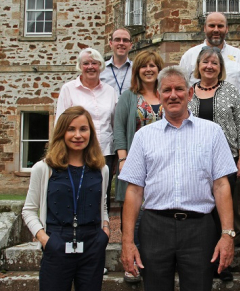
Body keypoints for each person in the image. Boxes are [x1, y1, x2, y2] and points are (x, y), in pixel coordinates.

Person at [119, 66, 237, 291]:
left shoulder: (212, 132)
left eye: (179, 89)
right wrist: (127, 241)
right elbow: (133, 191)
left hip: (199, 229)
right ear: (160, 95)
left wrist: (227, 234)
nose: (173, 95)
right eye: (167, 90)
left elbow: (222, 186)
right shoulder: (143, 136)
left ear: (190, 93)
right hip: (154, 228)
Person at [22, 106, 110, 291]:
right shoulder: (44, 168)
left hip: (92, 247)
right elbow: (29, 210)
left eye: (83, 129)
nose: (78, 135)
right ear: (62, 132)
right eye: (71, 129)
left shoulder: (101, 169)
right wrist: (45, 239)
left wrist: (105, 232)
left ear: (90, 133)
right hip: (57, 244)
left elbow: (102, 206)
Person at [187, 47, 240, 280]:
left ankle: (222, 265)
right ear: (198, 66)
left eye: (214, 62)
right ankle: (202, 262)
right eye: (205, 62)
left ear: (220, 67)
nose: (209, 66)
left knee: (223, 213)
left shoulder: (230, 91)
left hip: (227, 160)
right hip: (196, 161)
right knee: (202, 212)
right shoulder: (189, 92)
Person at [114, 50, 164, 283]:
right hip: (135, 163)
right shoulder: (128, 97)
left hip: (161, 164)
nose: (149, 69)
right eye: (144, 66)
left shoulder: (165, 94)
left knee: (155, 213)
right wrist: (123, 161)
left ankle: (154, 260)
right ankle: (131, 265)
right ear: (138, 71)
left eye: (153, 65)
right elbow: (119, 132)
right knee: (133, 214)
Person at [55, 47, 118, 216]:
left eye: (95, 63)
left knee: (101, 195)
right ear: (80, 66)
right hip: (77, 151)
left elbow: (114, 124)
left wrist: (117, 155)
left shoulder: (110, 91)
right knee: (77, 192)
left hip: (105, 152)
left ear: (100, 66)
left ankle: (100, 231)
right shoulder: (68, 89)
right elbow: (60, 124)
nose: (91, 66)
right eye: (86, 63)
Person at [179, 12, 240, 100]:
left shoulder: (238, 55)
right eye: (212, 26)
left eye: (220, 26)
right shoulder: (190, 56)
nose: (216, 30)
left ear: (226, 29)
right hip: (198, 112)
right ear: (204, 28)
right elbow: (181, 86)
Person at [100, 28, 133, 97]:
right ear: (111, 44)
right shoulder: (100, 70)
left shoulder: (137, 69)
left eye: (125, 40)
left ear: (130, 45)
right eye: (117, 40)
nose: (121, 43)